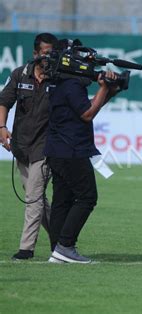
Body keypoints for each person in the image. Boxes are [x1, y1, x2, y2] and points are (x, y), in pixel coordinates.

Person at [44, 39, 120, 264]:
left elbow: (89, 108)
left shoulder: (62, 82)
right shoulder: (72, 85)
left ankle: (57, 250)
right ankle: (65, 246)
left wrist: (109, 91)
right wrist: (104, 87)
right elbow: (87, 114)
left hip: (58, 150)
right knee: (87, 197)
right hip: (71, 150)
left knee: (62, 200)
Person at [0, 33, 58, 260]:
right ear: (35, 54)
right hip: (21, 146)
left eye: (52, 53)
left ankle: (26, 249)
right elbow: (3, 101)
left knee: (33, 197)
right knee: (37, 198)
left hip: (45, 147)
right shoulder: (19, 74)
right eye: (45, 53)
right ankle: (62, 239)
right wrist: (2, 127)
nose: (48, 58)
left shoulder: (58, 78)